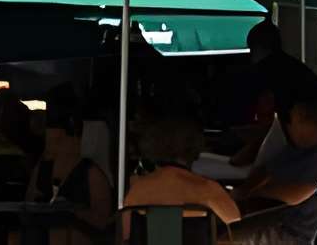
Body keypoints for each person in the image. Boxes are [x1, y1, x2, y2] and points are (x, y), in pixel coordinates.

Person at [231, 89, 317, 245]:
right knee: (221, 232)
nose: (287, 125)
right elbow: (264, 171)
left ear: (301, 116)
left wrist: (255, 191)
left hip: (295, 235)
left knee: (222, 239)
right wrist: (245, 190)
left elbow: (295, 194)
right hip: (275, 223)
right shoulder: (296, 148)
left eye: (290, 119)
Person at [120, 118, 242, 238]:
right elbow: (237, 234)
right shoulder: (208, 189)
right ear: (195, 148)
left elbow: (125, 237)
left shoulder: (137, 190)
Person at [25, 93, 113, 245]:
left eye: (57, 140)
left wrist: (73, 212)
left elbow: (103, 222)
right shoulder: (43, 167)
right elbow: (27, 207)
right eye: (49, 138)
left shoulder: (91, 173)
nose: (51, 145)